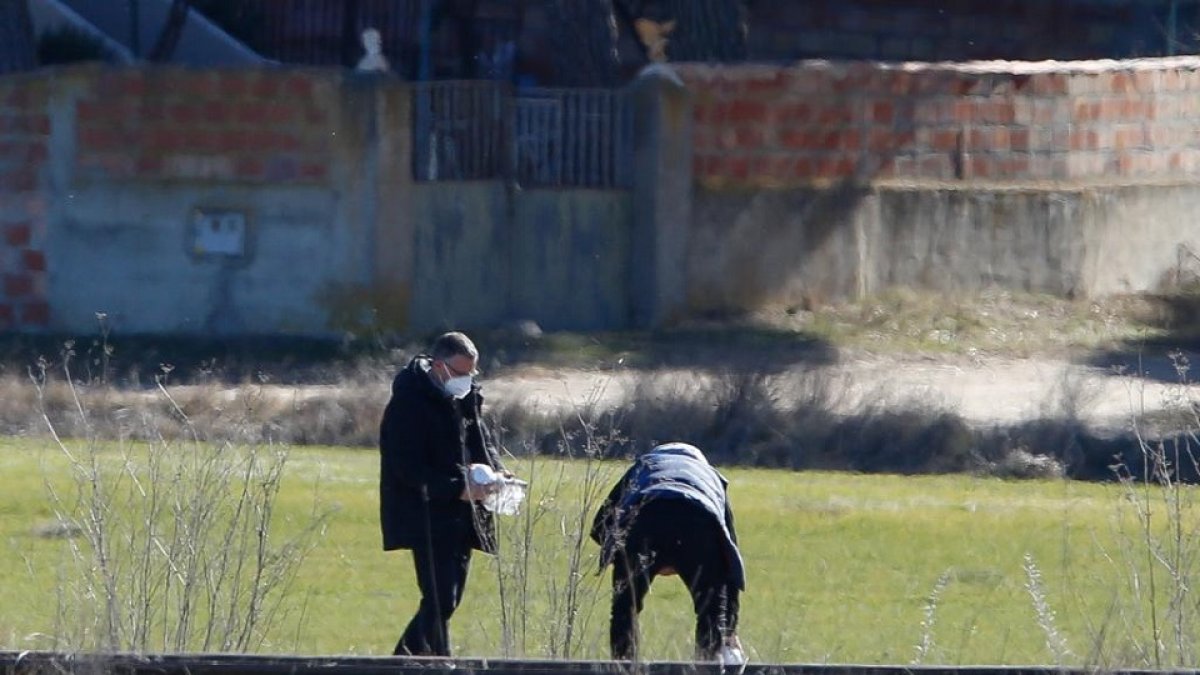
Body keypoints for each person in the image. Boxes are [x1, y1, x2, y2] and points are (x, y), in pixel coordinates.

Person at [379, 331, 511, 657]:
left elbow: (481, 441)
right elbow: (405, 467)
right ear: (438, 366)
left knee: (446, 601)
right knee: (441, 598)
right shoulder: (408, 403)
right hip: (424, 513)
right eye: (459, 373)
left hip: (464, 515)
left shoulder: (467, 398)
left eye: (471, 373)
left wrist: (498, 472)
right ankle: (401, 663)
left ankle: (438, 662)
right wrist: (457, 489)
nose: (466, 380)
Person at [590, 442, 746, 662]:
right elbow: (729, 557)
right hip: (698, 521)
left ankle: (624, 665)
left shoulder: (643, 466)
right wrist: (729, 627)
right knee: (713, 614)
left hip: (643, 519)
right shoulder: (710, 476)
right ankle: (711, 663)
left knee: (625, 610)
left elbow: (600, 526)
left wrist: (626, 562)